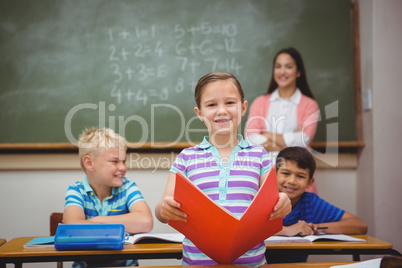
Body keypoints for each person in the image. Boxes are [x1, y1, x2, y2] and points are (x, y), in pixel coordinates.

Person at [155, 72, 292, 266]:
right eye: (211, 105)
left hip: (251, 264)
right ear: (199, 113)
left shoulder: (260, 155)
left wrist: (284, 202)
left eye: (230, 103)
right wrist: (164, 209)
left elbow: (273, 203)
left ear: (243, 108)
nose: (221, 111)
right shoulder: (186, 158)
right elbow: (161, 211)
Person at [63, 127, 153, 267]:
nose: (123, 167)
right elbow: (72, 226)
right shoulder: (76, 191)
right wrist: (122, 224)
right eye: (115, 161)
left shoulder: (128, 187)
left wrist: (95, 221)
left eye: (124, 161)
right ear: (89, 163)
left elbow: (145, 221)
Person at [268, 146, 368, 263]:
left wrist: (314, 228)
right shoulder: (262, 198)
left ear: (310, 182)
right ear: (274, 175)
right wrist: (287, 230)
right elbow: (248, 230)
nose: (292, 181)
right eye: (285, 173)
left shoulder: (310, 203)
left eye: (300, 176)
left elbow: (359, 225)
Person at [245, 47, 320, 193]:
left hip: (297, 177)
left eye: (288, 66)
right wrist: (290, 142)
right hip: (265, 174)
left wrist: (266, 135)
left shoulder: (310, 105)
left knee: (302, 215)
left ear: (298, 72)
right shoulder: (260, 102)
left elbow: (303, 139)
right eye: (278, 66)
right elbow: (250, 138)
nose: (282, 72)